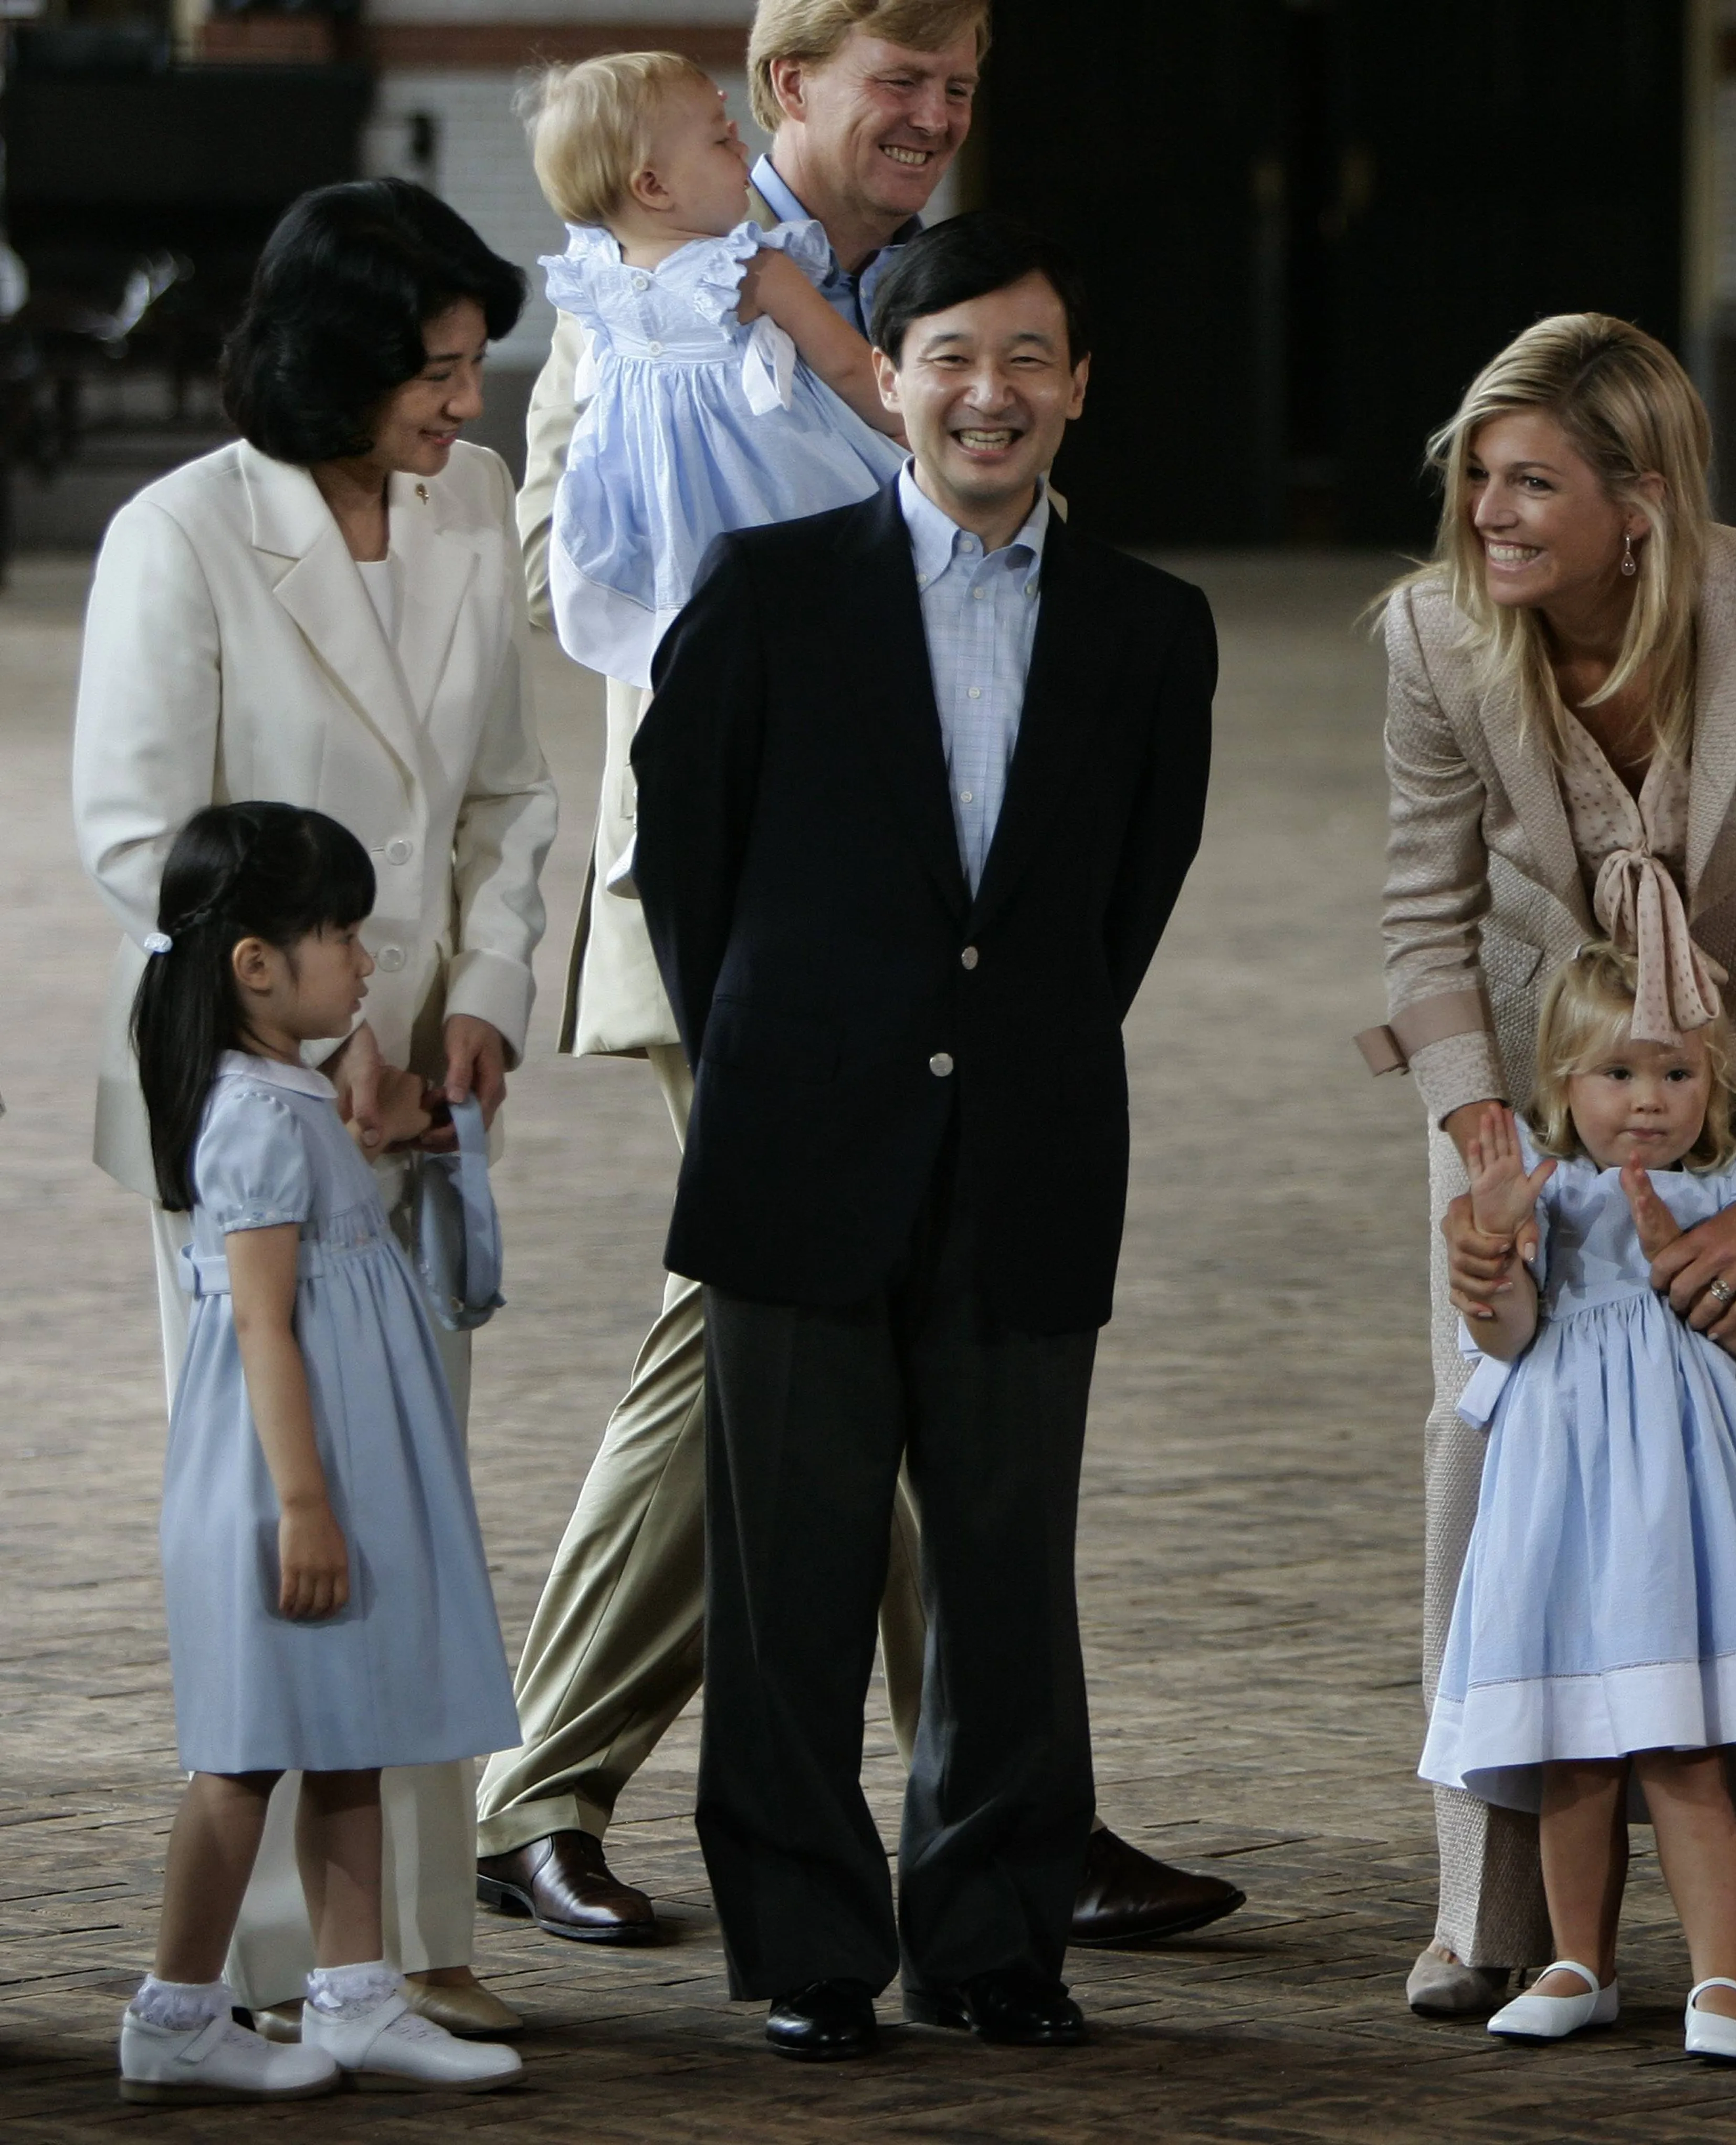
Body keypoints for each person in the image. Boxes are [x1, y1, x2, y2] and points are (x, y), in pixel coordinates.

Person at [479, 0, 1243, 1954]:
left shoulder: (941, 297)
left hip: (951, 925)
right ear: (780, 94)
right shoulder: (650, 292)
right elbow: (588, 581)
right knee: (770, 1333)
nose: (932, 117)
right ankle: (573, 1787)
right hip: (742, 909)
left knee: (844, 1325)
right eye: (894, 82)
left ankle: (966, 1810)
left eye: (960, 88)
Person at [630, 211, 1215, 2060]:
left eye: (1029, 357)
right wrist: (794, 1045)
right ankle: (810, 1948)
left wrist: (1000, 1045)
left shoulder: (1149, 625)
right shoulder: (768, 590)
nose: (990, 392)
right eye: (951, 355)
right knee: (790, 1572)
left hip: (1029, 1148)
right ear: (884, 378)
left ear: (1080, 389)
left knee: (1006, 1572)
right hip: (801, 1142)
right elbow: (689, 863)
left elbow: (1128, 898)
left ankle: (995, 1937)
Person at [1358, 314, 1736, 2030]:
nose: (1487, 512)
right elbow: (1424, 920)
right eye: (1475, 474)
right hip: (1544, 1074)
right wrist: (1482, 1155)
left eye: (1530, 480)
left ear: (1642, 501)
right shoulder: (1433, 638)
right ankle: (1492, 1903)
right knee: (1485, 1414)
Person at [73, 178, 559, 2036]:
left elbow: (512, 798)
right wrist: (301, 1039)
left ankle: (409, 1945)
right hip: (249, 1105)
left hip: (420, 1090)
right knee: (288, 1504)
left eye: (470, 369)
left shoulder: (474, 503)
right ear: (337, 361)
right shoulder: (178, 537)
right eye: (435, 373)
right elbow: (139, 843)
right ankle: (271, 1960)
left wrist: (480, 1004)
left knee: (414, 1499)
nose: (467, 407)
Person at [117, 803, 524, 2104]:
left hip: (334, 1462)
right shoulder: (253, 1119)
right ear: (255, 965)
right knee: (245, 1753)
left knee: (350, 1728)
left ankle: (356, 1995)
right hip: (283, 1476)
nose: (364, 959)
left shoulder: (294, 1097)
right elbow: (261, 1318)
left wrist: (411, 1131)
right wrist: (304, 1502)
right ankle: (174, 2012)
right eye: (339, 935)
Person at [1423, 944, 1736, 2064]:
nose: (1648, 1101)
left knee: (1683, 1742)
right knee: (1574, 1745)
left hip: (1679, 1506)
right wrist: (1495, 1245)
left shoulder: (1735, 1190)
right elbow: (1504, 1335)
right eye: (1616, 1074)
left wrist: (1676, 1265)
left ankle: (1720, 1972)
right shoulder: (1541, 1194)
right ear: (1561, 1082)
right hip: (1556, 1493)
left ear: (1712, 1082)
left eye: (1674, 1074)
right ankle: (1580, 1960)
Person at [528, 50, 906, 692]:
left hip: (653, 513)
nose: (744, 150)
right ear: (654, 186)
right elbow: (847, 366)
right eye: (720, 141)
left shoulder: (597, 277)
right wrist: (914, 433)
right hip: (771, 482)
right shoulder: (749, 270)